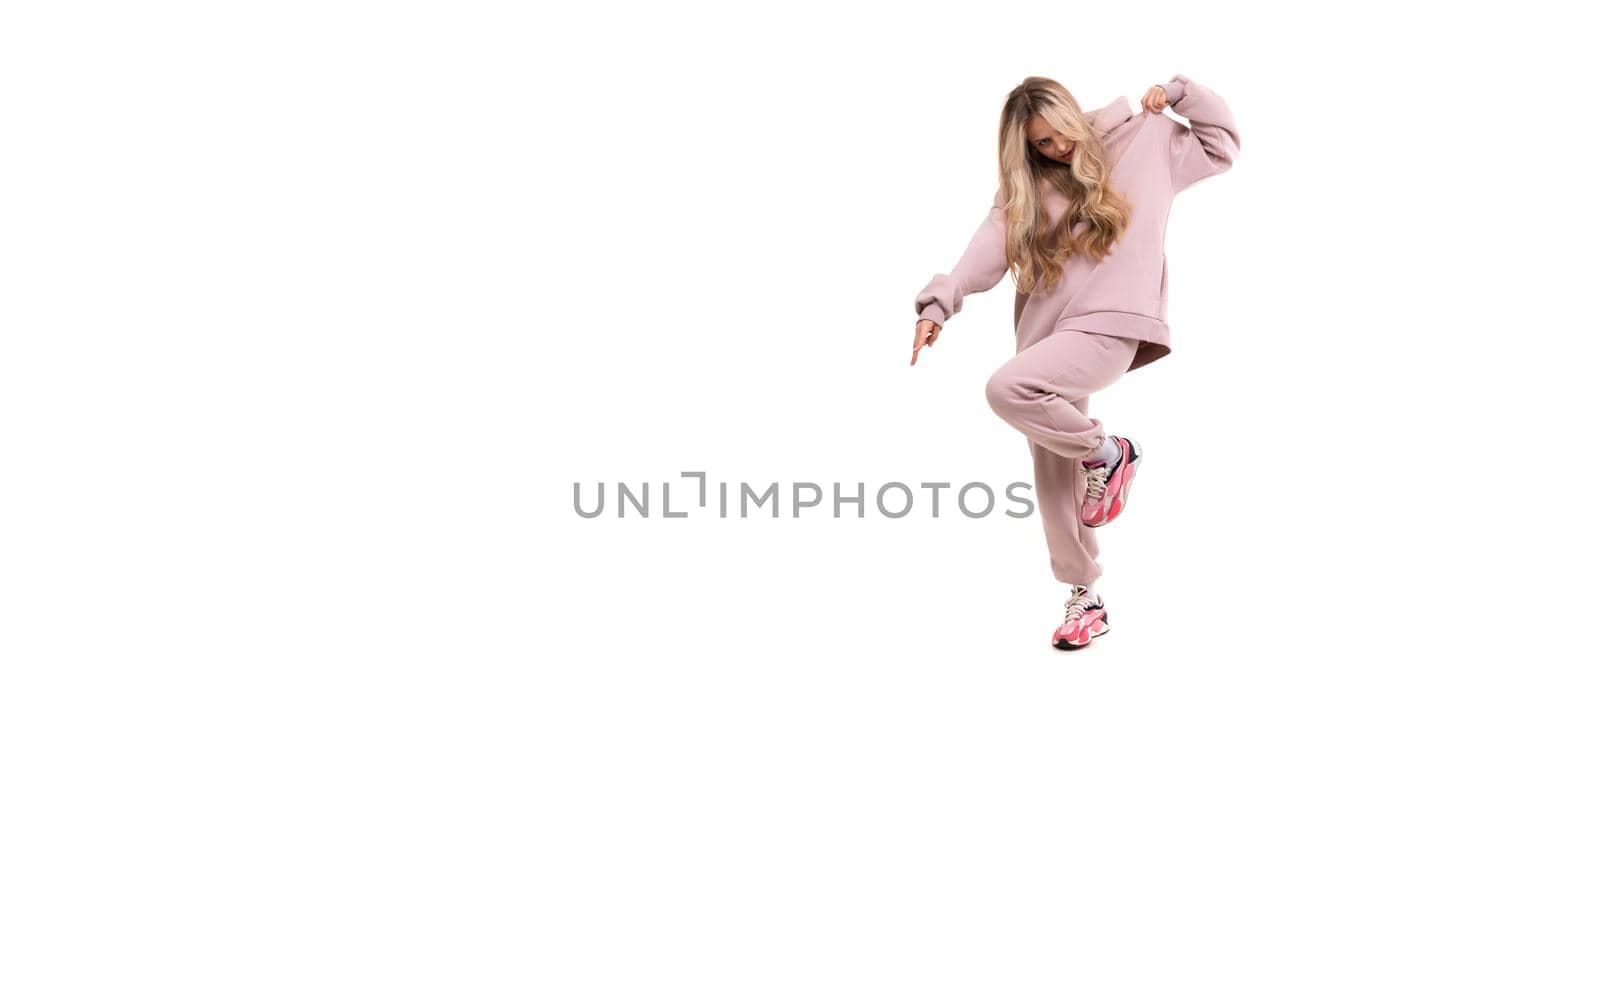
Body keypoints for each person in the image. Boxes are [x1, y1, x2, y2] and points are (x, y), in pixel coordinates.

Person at [909, 74, 1240, 650]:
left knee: (1006, 389)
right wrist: (941, 303)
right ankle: (1085, 599)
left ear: (1074, 115)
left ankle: (1110, 455)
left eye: (1061, 133)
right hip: (1044, 339)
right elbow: (987, 247)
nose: (1059, 149)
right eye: (1042, 144)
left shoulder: (1144, 138)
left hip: (1112, 322)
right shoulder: (1026, 191)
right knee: (1051, 482)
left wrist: (1182, 94)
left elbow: (1221, 144)